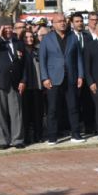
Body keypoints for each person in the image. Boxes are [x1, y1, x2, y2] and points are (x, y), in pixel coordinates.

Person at [39, 13, 85, 144]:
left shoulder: (73, 37)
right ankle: (52, 136)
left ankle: (76, 134)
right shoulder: (47, 39)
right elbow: (42, 60)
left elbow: (79, 58)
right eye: (59, 21)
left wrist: (80, 75)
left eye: (64, 21)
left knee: (73, 107)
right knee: (53, 109)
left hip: (71, 77)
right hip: (53, 79)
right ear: (53, 24)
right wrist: (45, 78)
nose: (62, 23)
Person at [0, 17, 27, 150]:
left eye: (10, 27)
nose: (8, 30)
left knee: (16, 112)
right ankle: (3, 140)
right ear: (0, 29)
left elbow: (24, 64)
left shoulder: (18, 43)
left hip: (15, 81)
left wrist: (23, 80)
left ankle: (17, 139)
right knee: (0, 113)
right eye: (5, 28)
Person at [21, 31, 44, 144]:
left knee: (38, 113)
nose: (29, 39)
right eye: (26, 37)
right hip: (25, 86)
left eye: (31, 37)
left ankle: (38, 135)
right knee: (26, 114)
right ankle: (26, 137)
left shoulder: (37, 51)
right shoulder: (20, 51)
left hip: (37, 85)